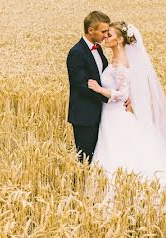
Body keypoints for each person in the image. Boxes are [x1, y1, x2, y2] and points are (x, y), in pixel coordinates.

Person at [88, 21, 166, 201]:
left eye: (110, 35)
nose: (105, 37)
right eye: (106, 34)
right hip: (110, 115)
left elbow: (122, 94)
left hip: (116, 115)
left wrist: (99, 89)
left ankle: (126, 195)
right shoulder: (114, 59)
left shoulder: (121, 61)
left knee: (118, 151)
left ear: (120, 40)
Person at [66, 11, 111, 163]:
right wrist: (109, 97)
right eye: (103, 31)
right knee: (85, 159)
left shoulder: (98, 48)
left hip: (102, 113)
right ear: (91, 30)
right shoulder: (76, 53)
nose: (106, 35)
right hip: (85, 116)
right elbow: (81, 86)